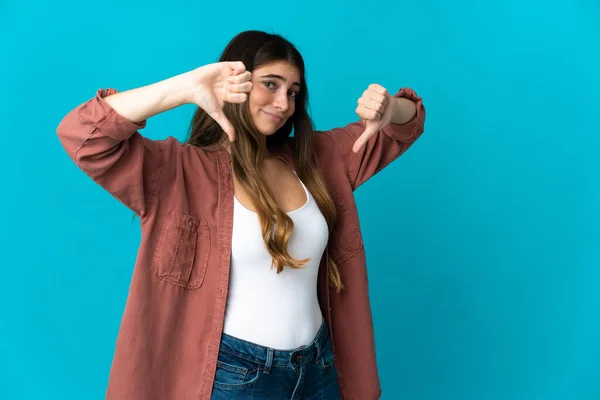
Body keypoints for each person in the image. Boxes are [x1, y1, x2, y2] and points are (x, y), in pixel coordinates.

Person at [56, 30, 425, 400]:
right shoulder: (178, 171)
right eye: (270, 84)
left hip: (318, 370)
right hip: (235, 377)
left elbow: (406, 127)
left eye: (293, 92)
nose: (283, 103)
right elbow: (83, 136)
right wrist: (186, 87)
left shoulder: (318, 159)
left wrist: (391, 109)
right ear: (232, 83)